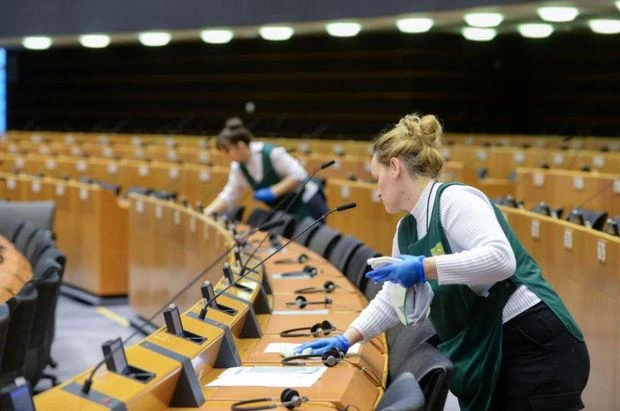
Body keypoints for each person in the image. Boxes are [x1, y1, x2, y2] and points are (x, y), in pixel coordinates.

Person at [294, 113, 589, 411]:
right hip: (495, 346)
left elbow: (501, 259)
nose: (377, 190)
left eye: (376, 178)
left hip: (534, 341)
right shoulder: (406, 229)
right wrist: (347, 339)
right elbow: (392, 299)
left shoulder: (453, 200)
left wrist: (423, 268)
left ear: (394, 167)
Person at [203, 119, 328, 220]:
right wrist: (206, 213)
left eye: (227, 151)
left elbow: (299, 174)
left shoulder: (271, 153)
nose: (226, 156)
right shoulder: (238, 167)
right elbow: (229, 196)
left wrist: (273, 192)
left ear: (240, 146)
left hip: (307, 202)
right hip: (285, 208)